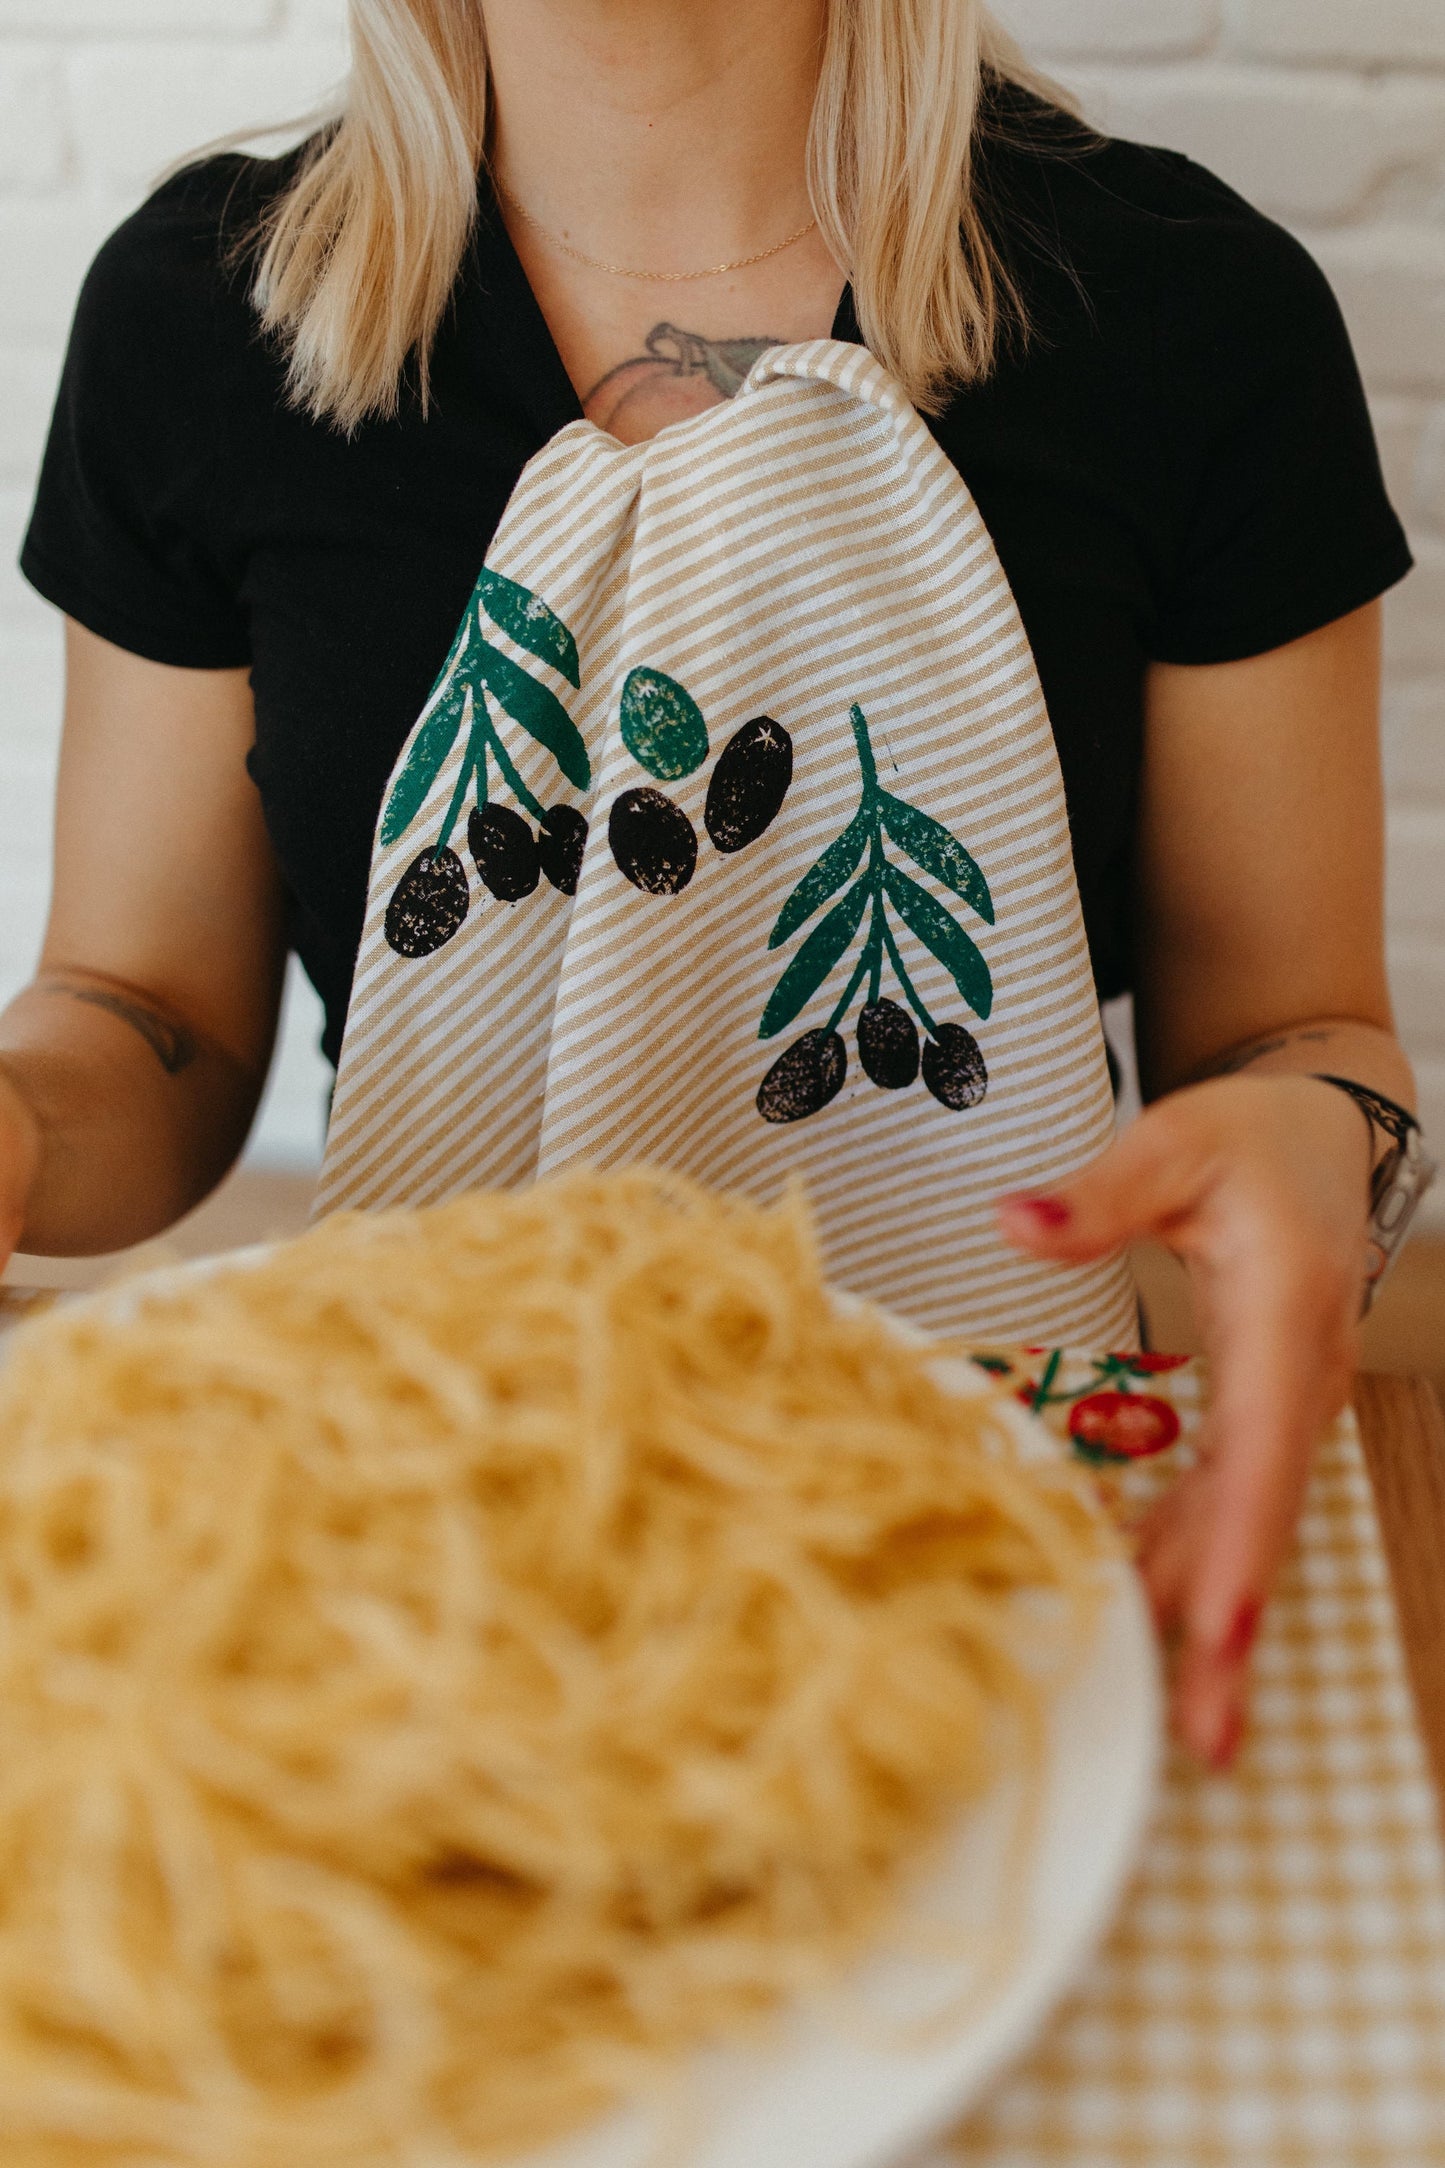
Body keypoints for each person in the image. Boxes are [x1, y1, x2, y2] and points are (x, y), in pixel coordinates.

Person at [3, 0, 1425, 1770]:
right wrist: (19, 1125)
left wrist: (1315, 1145)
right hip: (415, 1542)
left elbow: (1297, 1034)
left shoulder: (1193, 319)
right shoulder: (201, 321)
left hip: (985, 1535)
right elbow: (148, 1013)